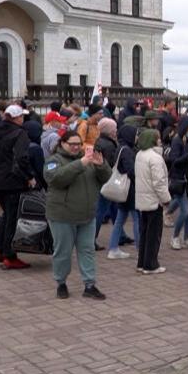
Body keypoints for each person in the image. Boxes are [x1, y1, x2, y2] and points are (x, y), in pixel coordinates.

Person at [44, 131, 112, 299]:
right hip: (62, 216)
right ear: (62, 143)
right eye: (71, 143)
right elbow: (57, 179)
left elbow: (106, 177)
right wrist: (81, 164)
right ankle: (61, 283)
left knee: (87, 250)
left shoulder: (88, 159)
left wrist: (101, 164)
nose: (75, 147)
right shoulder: (54, 161)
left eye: (78, 143)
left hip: (87, 215)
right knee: (63, 252)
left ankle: (89, 285)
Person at [0, 105, 37, 269]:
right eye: (21, 116)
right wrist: (29, 176)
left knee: (6, 215)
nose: (23, 119)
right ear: (16, 118)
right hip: (12, 180)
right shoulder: (19, 133)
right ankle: (9, 255)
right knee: (12, 218)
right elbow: (22, 158)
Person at [134, 129, 171, 274]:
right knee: (154, 234)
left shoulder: (139, 155)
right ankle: (151, 264)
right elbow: (159, 182)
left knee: (145, 232)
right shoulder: (155, 158)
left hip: (143, 199)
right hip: (154, 200)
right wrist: (166, 199)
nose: (160, 140)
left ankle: (142, 262)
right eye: (158, 138)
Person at [107, 124, 140, 259]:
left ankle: (113, 248)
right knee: (137, 218)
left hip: (123, 190)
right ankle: (141, 248)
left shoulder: (120, 148)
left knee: (120, 219)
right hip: (129, 190)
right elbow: (130, 170)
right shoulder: (127, 150)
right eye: (136, 134)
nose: (137, 137)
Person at [166, 116, 188, 250]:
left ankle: (187, 237)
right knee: (185, 211)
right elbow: (174, 161)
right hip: (179, 180)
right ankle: (175, 237)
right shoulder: (178, 141)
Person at [93, 118, 120, 248]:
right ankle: (92, 239)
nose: (116, 132)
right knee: (101, 210)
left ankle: (120, 234)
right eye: (114, 129)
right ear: (109, 131)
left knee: (114, 208)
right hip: (107, 181)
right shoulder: (109, 145)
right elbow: (110, 163)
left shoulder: (100, 141)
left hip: (102, 180)